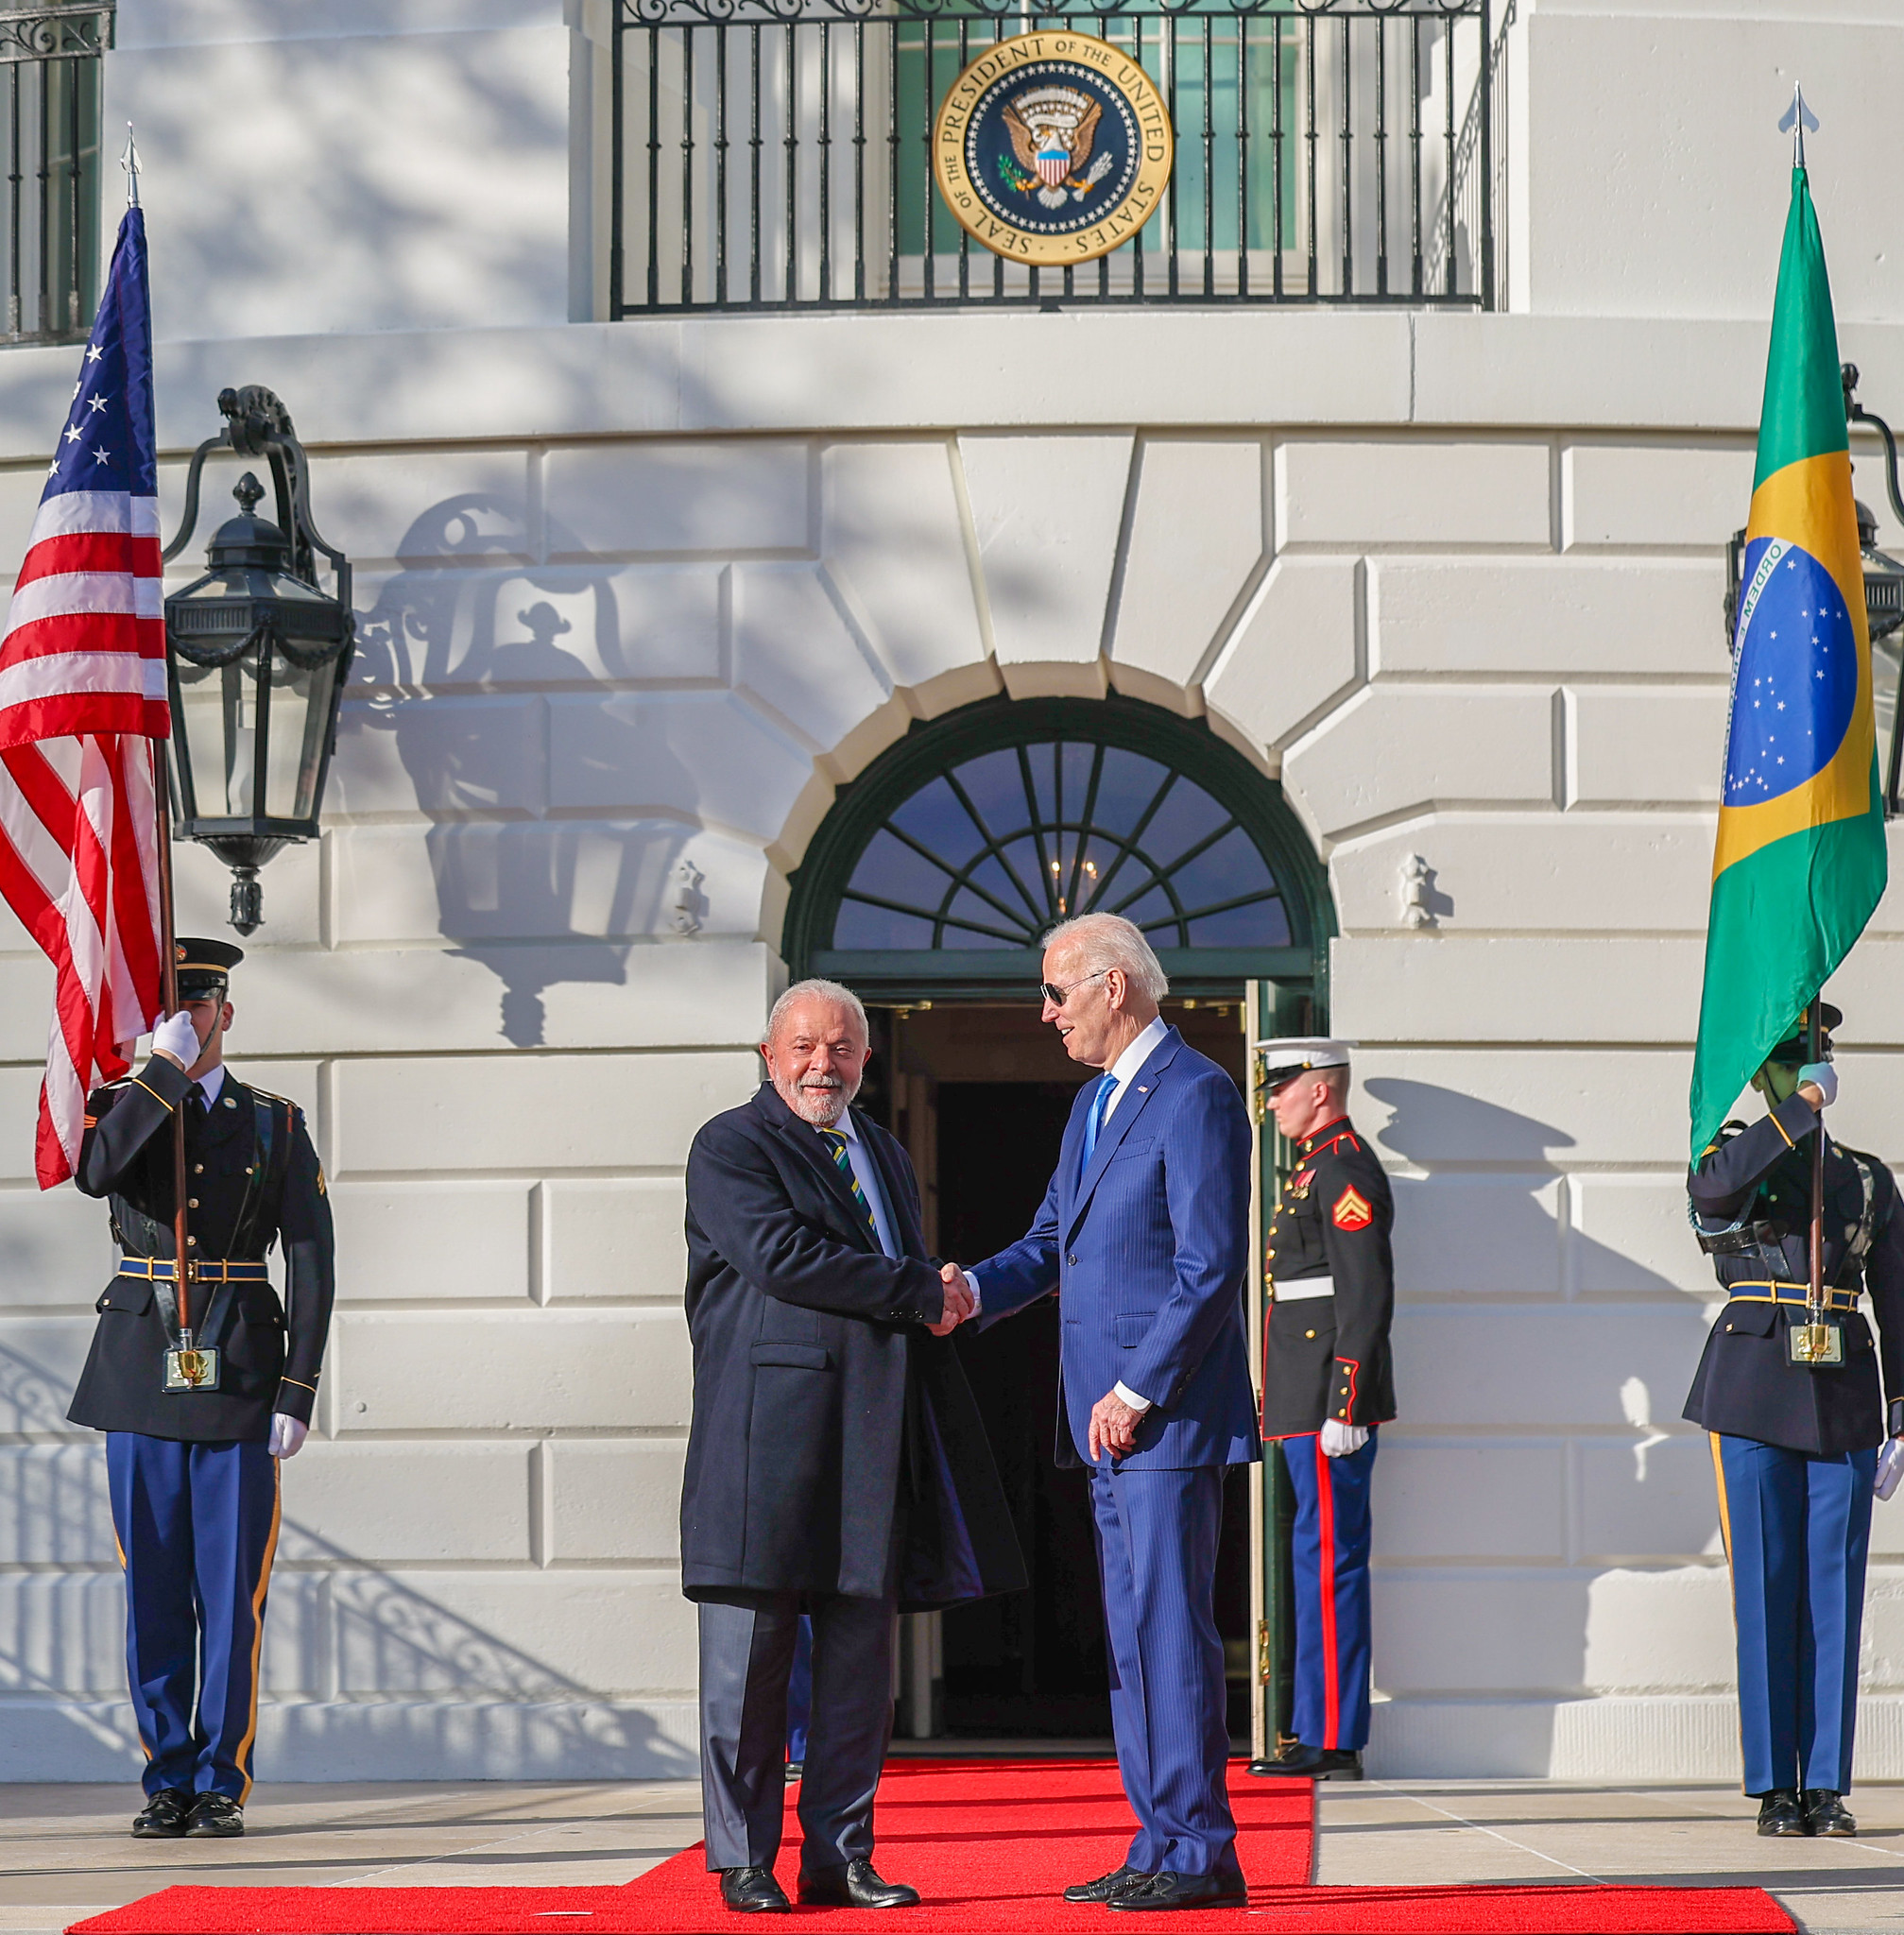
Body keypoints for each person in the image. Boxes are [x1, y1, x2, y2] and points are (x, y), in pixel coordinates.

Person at [680, 978, 1024, 1915]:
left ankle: (839, 1855)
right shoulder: (730, 1144)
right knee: (745, 1670)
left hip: (873, 1440)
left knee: (856, 1671)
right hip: (764, 1446)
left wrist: (935, 1294)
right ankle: (743, 1859)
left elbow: (893, 1281)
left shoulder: (880, 1148)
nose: (819, 1063)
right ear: (768, 1053)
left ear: (865, 1060)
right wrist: (923, 1287)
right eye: (801, 1046)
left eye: (839, 1047)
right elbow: (778, 1257)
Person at [952, 915, 1258, 1913]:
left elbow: (1208, 1266)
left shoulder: (1197, 1095)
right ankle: (1158, 1838)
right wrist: (966, 1291)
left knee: (1170, 1633)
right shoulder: (1091, 1103)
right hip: (1106, 1425)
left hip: (1156, 1416)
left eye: (1057, 991)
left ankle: (1198, 1850)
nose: (1046, 1012)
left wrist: (1135, 1387)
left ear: (1114, 985)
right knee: (1131, 1639)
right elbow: (1050, 1241)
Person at [68, 939, 334, 1840]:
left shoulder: (275, 1124)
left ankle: (222, 1774)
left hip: (241, 1366)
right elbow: (97, 1173)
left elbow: (311, 1260)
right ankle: (165, 1775)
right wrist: (161, 1074)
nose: (194, 1020)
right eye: (176, 1009)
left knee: (229, 1591)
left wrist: (298, 1387)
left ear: (229, 1011)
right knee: (153, 1584)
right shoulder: (126, 1107)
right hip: (141, 1367)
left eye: (204, 1007)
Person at [1684, 1003, 1904, 1840]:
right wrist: (1795, 1115)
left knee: (1832, 1596)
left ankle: (1827, 1786)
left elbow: (1896, 1294)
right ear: (1763, 1073)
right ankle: (1776, 1784)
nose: (1804, 1065)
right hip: (1749, 1390)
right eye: (1787, 1055)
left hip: (1843, 1385)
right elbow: (1712, 1190)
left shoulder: (1866, 1177)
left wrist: (1899, 1406)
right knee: (1767, 1590)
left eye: (1812, 1053)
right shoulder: (1731, 1151)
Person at [1249, 1040, 1396, 1783]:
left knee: (1331, 1565)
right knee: (1312, 1562)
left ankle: (1335, 1738)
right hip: (1298, 1398)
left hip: (1325, 1402)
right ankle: (1312, 1727)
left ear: (1318, 1088)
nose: (1271, 1102)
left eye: (1280, 1088)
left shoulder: (1340, 1168)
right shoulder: (1312, 1165)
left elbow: (1363, 1296)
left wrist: (1348, 1400)